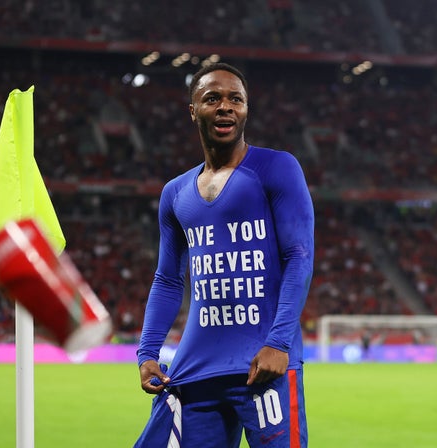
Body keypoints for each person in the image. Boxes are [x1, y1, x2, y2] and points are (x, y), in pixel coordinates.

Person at [134, 62, 314, 448]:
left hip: (264, 365)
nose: (226, 107)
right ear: (193, 110)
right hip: (195, 370)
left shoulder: (277, 167)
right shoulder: (175, 193)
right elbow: (167, 279)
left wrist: (279, 343)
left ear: (247, 109)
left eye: (236, 99)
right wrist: (147, 352)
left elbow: (298, 256)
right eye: (212, 98)